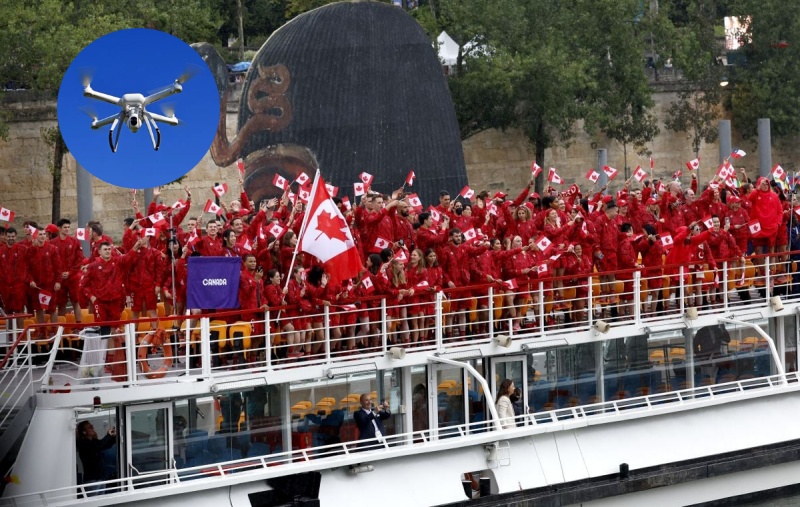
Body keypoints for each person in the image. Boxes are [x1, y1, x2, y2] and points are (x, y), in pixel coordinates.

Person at [76, 421, 117, 496]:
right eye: (90, 427)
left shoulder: (93, 442)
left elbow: (105, 445)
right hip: (92, 480)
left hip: (100, 478)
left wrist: (114, 437)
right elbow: (99, 446)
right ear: (84, 432)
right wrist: (108, 435)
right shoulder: (83, 444)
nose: (93, 428)